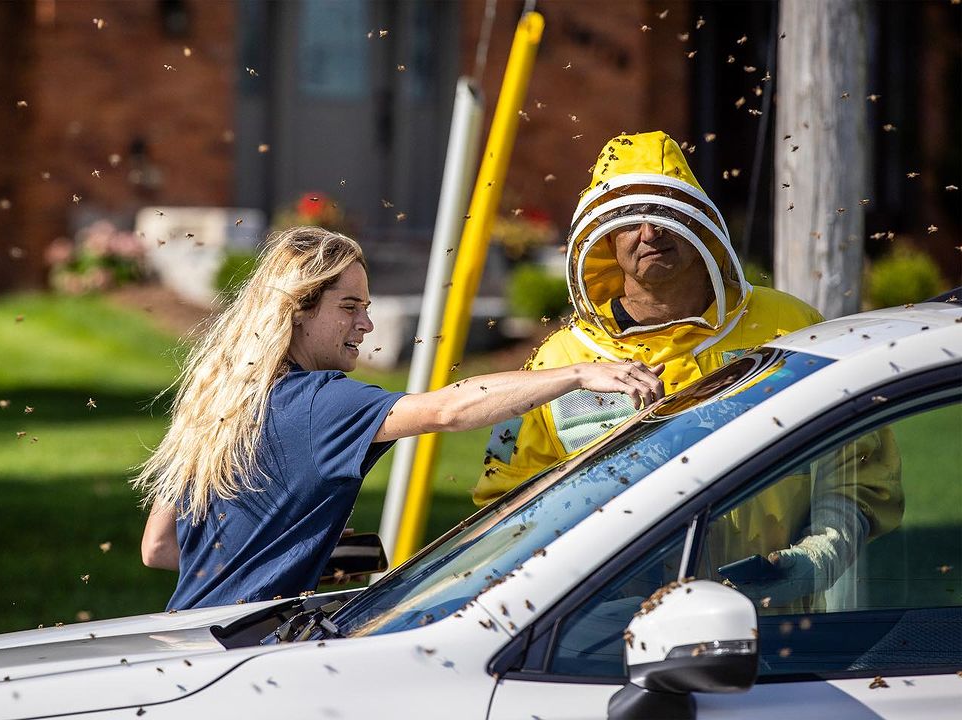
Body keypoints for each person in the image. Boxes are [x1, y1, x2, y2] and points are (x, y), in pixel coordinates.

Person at [474, 130, 902, 609]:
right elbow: (507, 511)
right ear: (602, 240)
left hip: (779, 634)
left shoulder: (789, 325)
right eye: (628, 219)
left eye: (666, 212)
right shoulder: (560, 362)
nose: (650, 233)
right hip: (604, 644)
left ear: (700, 222)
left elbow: (860, 467)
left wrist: (816, 557)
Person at [134, 226, 665, 610]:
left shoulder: (221, 404)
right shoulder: (320, 402)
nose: (366, 324)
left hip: (191, 639)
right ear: (298, 310)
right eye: (349, 307)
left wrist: (298, 550)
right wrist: (576, 375)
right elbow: (449, 408)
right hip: (254, 650)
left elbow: (158, 547)